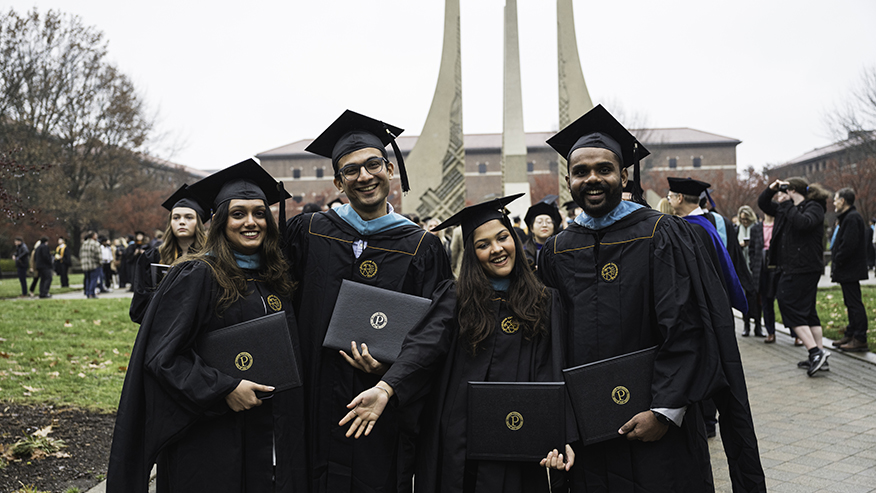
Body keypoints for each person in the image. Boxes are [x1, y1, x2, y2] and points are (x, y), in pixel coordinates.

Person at [539, 105, 765, 492]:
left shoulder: (662, 234)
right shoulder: (557, 251)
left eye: (604, 169)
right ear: (568, 180)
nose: (592, 179)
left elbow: (687, 327)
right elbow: (548, 342)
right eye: (581, 172)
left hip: (659, 430)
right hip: (588, 433)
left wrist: (665, 410)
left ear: (623, 175)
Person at [340, 195, 574, 493]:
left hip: (517, 434)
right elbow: (424, 347)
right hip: (456, 438)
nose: (497, 249)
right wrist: (386, 388)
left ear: (514, 237)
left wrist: (557, 434)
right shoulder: (455, 296)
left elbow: (551, 370)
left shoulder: (545, 301)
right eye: (483, 244)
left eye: (502, 237)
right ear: (472, 253)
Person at [107, 159, 307, 493]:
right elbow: (162, 357)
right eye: (238, 213)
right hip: (210, 439)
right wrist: (224, 388)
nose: (251, 222)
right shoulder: (198, 274)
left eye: (259, 213)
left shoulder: (274, 277)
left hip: (268, 434)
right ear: (219, 221)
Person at [284, 110, 452, 493]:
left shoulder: (422, 247)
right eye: (351, 170)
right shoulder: (309, 232)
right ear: (338, 182)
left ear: (389, 168)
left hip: (380, 402)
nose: (364, 176)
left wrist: (392, 369)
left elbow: (435, 330)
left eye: (373, 164)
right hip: (313, 396)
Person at [758, 177, 831, 375]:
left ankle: (815, 352)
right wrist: (770, 189)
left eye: (784, 190)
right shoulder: (784, 209)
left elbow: (803, 224)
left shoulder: (814, 207)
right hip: (791, 267)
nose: (781, 195)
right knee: (808, 312)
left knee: (787, 304)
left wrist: (788, 204)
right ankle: (819, 356)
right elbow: (763, 204)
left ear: (792, 191)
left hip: (804, 267)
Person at [129, 184, 209, 324]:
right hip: (161, 328)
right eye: (176, 218)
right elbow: (138, 308)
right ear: (170, 222)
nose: (182, 222)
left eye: (189, 217)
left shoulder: (210, 257)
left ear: (198, 223)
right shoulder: (152, 257)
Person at [830, 188, 869, 352]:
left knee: (854, 304)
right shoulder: (848, 217)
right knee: (851, 302)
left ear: (843, 201)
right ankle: (851, 333)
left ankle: (860, 337)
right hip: (848, 269)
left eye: (836, 199)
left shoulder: (852, 218)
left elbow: (848, 245)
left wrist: (837, 260)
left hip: (850, 269)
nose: (833, 202)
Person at [749, 213, 782, 343]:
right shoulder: (756, 228)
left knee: (784, 300)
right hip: (761, 267)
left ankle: (796, 334)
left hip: (777, 267)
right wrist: (753, 264)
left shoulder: (780, 226)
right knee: (766, 301)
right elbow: (752, 249)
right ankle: (770, 331)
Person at [522, 195, 562, 268]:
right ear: (531, 228)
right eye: (539, 222)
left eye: (548, 222)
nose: (544, 225)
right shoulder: (524, 252)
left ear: (554, 227)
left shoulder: (561, 249)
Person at [79, 231, 102, 299]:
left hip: (85, 265)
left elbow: (80, 254)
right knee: (93, 279)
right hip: (94, 264)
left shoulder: (84, 244)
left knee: (87, 279)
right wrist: (100, 263)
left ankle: (87, 292)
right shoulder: (95, 244)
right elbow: (98, 255)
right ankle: (92, 293)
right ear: (93, 236)